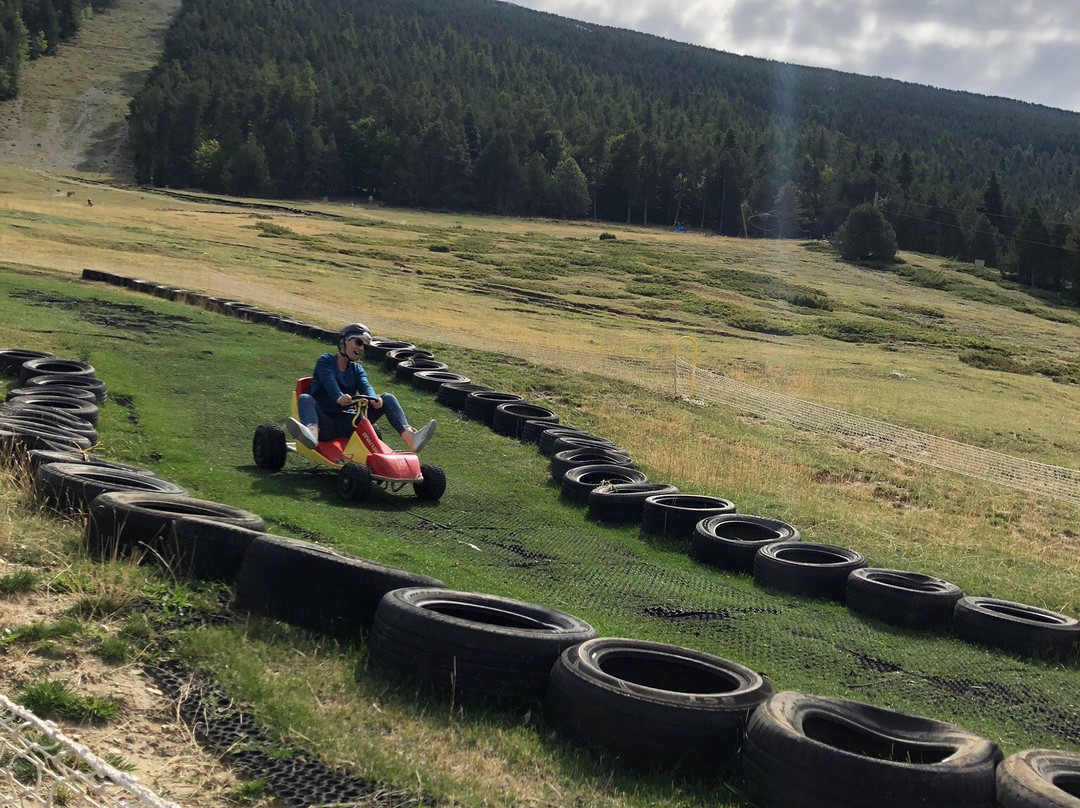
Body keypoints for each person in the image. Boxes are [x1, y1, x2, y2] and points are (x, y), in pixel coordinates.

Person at [286, 323, 436, 453]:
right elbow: (328, 381)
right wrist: (338, 397)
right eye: (358, 342)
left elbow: (365, 386)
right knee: (305, 398)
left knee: (387, 398)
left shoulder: (357, 369)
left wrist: (374, 398)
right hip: (325, 423)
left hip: (349, 423)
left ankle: (412, 439)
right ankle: (311, 435)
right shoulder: (325, 361)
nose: (361, 348)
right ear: (344, 341)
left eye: (365, 346)